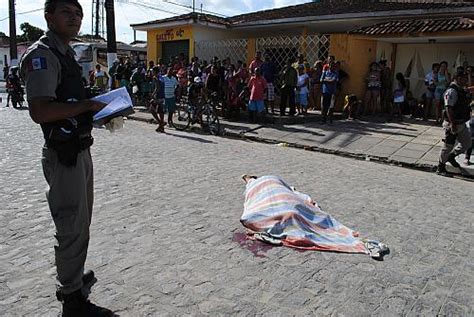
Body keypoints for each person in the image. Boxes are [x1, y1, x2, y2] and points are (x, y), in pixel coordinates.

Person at [19, 0, 113, 315]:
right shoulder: (43, 55)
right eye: (66, 13)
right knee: (71, 222)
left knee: (81, 222)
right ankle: (72, 299)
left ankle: (73, 277)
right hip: (64, 155)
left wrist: (98, 105)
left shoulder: (66, 53)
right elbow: (41, 110)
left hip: (80, 148)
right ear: (49, 17)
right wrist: (86, 107)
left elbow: (69, 98)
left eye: (78, 14)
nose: (74, 19)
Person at [437, 70, 472, 176]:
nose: (466, 80)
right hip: (452, 123)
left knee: (467, 143)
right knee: (448, 145)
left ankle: (451, 156)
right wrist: (452, 124)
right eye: (464, 78)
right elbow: (449, 108)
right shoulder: (452, 91)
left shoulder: (461, 90)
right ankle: (441, 167)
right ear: (458, 78)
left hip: (461, 123)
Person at [150, 66, 165, 132]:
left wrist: (153, 94)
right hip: (162, 95)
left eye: (152, 71)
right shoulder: (161, 77)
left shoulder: (156, 77)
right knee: (160, 111)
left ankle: (160, 123)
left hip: (158, 96)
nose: (152, 72)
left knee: (152, 109)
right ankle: (161, 126)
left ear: (155, 71)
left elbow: (157, 87)